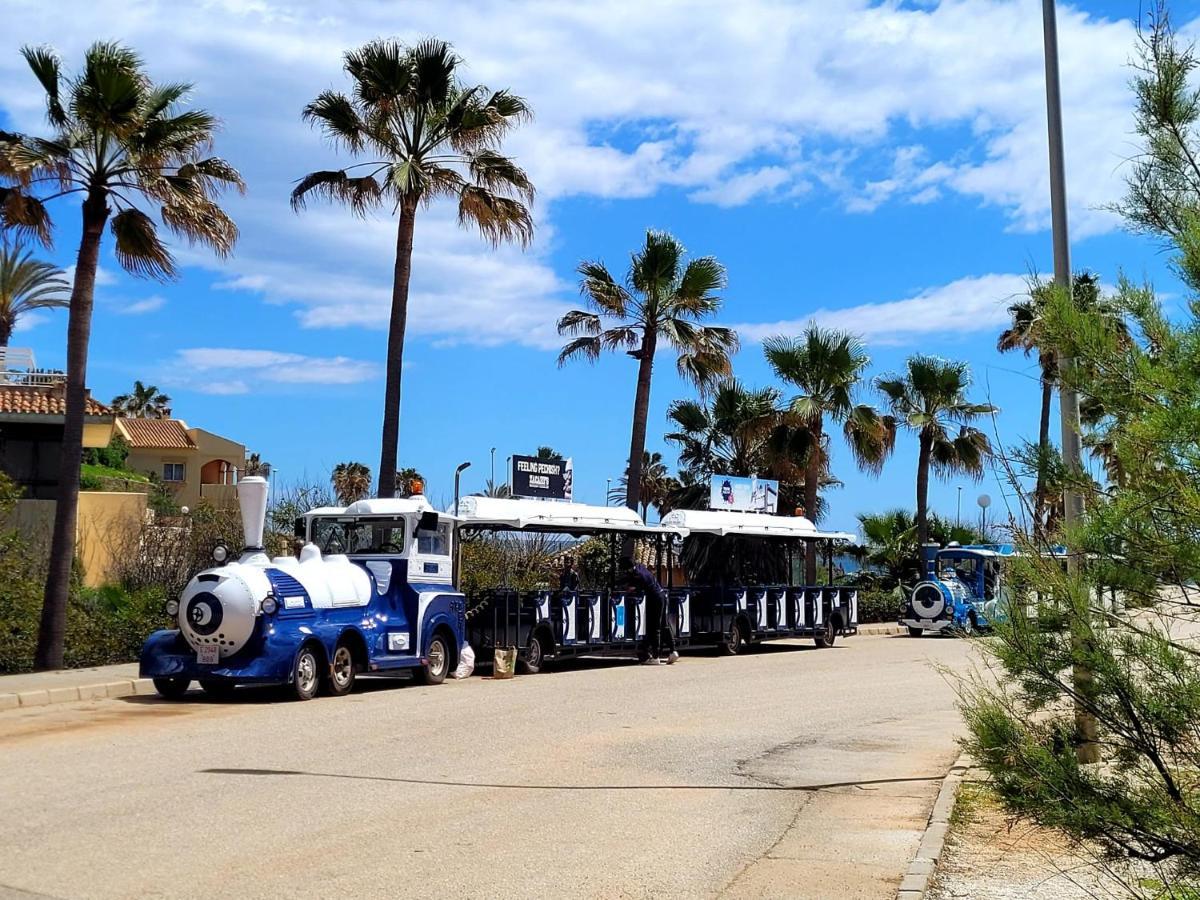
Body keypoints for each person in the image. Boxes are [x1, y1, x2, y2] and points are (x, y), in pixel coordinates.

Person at [619, 554, 678, 665]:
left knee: (654, 627)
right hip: (661, 595)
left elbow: (631, 588)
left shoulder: (638, 576)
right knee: (664, 624)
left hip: (654, 598)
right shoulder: (641, 567)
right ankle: (673, 651)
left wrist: (622, 587)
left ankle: (655, 656)